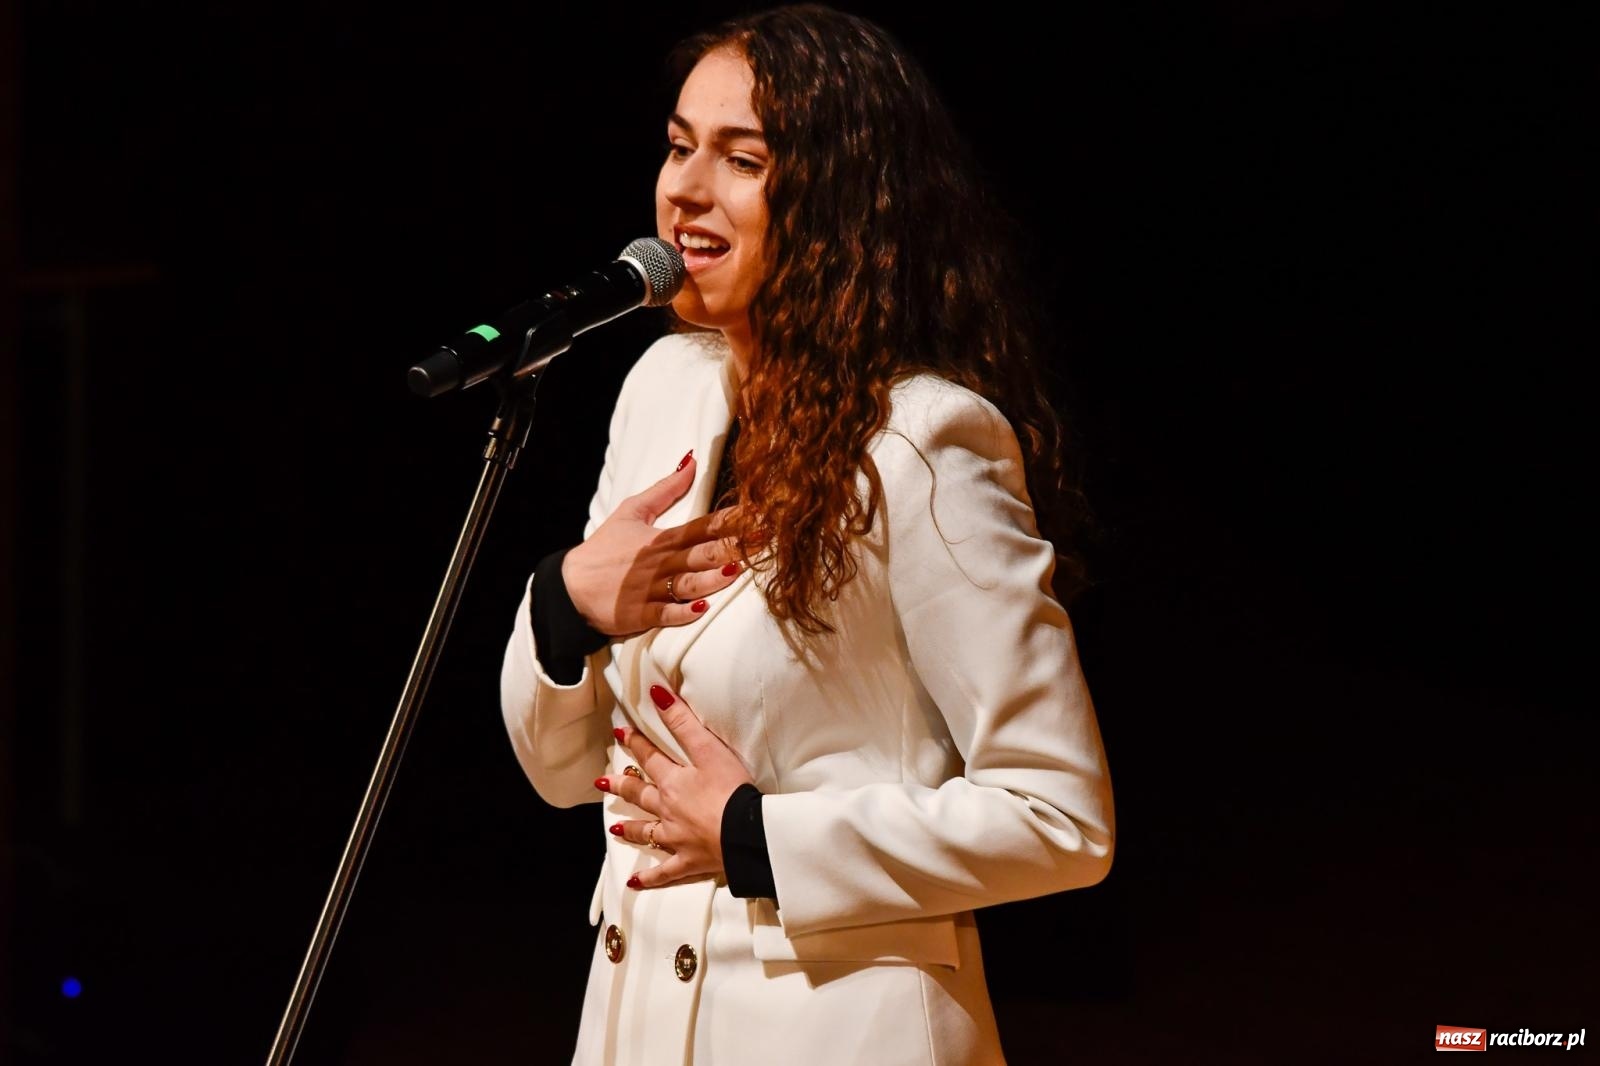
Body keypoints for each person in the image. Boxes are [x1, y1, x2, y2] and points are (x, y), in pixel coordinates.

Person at [500, 6, 1114, 1063]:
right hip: (634, 1022)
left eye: (743, 159)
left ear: (841, 203)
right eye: (680, 144)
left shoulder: (921, 443)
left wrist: (754, 837)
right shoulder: (661, 388)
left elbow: (1059, 815)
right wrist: (562, 609)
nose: (684, 188)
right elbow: (564, 776)